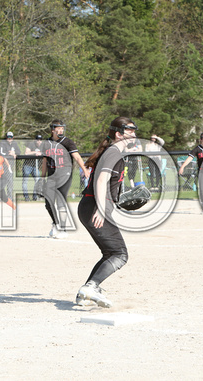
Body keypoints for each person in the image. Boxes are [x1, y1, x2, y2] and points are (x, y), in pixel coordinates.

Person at [75, 116, 137, 308]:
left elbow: (108, 184)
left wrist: (121, 198)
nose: (134, 134)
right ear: (118, 135)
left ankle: (85, 292)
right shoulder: (113, 152)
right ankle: (91, 287)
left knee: (109, 252)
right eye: (129, 131)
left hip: (89, 206)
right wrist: (101, 211)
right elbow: (101, 181)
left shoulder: (113, 152)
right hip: (94, 208)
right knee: (120, 254)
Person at [41, 120, 89, 239]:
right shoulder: (46, 143)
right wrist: (42, 177)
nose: (61, 130)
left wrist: (85, 170)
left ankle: (63, 229)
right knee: (48, 202)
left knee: (61, 199)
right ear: (53, 130)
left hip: (65, 173)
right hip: (52, 175)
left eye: (62, 128)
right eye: (59, 128)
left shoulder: (68, 142)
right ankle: (55, 224)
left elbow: (77, 156)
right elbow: (44, 161)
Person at [23, 134, 43, 201]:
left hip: (35, 166)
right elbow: (26, 153)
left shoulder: (42, 146)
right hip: (27, 165)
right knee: (25, 181)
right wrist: (35, 152)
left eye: (40, 140)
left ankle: (35, 197)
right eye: (38, 140)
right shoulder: (31, 144)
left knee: (38, 181)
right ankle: (26, 197)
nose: (39, 141)